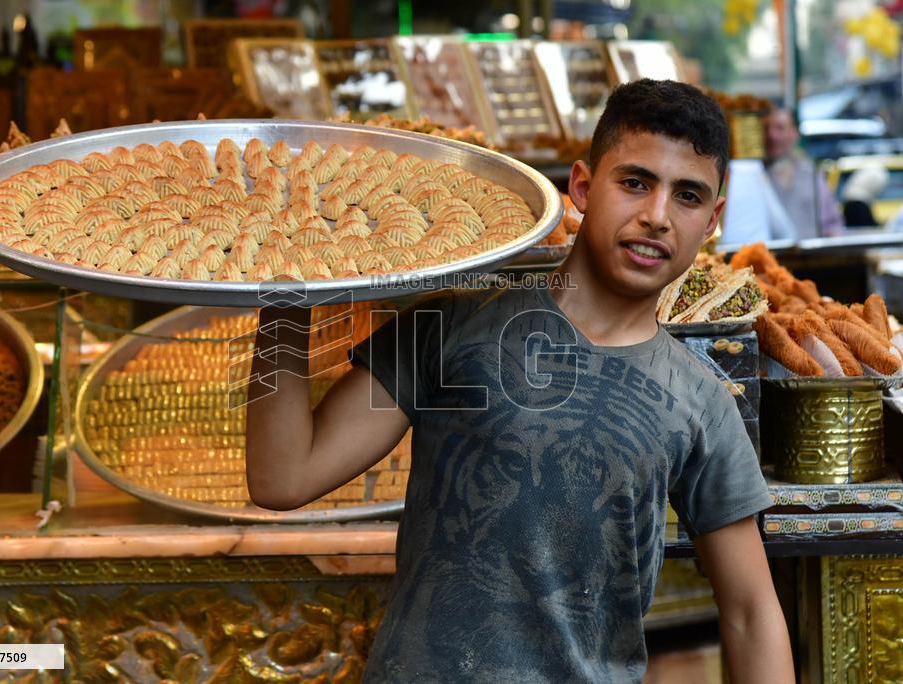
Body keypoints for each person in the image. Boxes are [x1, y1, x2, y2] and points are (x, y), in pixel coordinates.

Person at [246, 79, 794, 683]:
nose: (657, 216)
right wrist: (283, 292)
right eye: (634, 182)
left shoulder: (701, 399)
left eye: (687, 196)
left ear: (713, 218)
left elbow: (750, 611)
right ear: (581, 187)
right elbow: (283, 477)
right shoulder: (451, 323)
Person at [763, 107, 843, 238]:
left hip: (811, 255)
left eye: (780, 128)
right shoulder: (758, 175)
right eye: (767, 128)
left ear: (795, 133)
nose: (772, 135)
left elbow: (832, 224)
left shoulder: (811, 173)